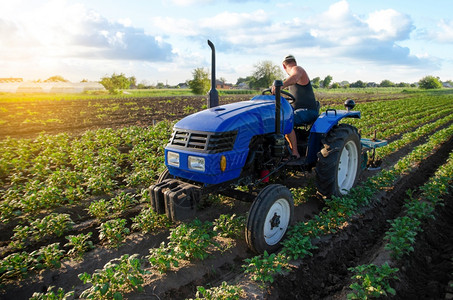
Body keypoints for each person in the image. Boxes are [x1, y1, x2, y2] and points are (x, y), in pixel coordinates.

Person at [271, 54, 318, 159]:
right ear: (294, 61)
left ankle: (294, 152)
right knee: (275, 117)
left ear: (284, 66)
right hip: (297, 111)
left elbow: (295, 77)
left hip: (308, 111)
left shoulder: (297, 70)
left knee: (285, 120)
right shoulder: (291, 78)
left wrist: (281, 85)